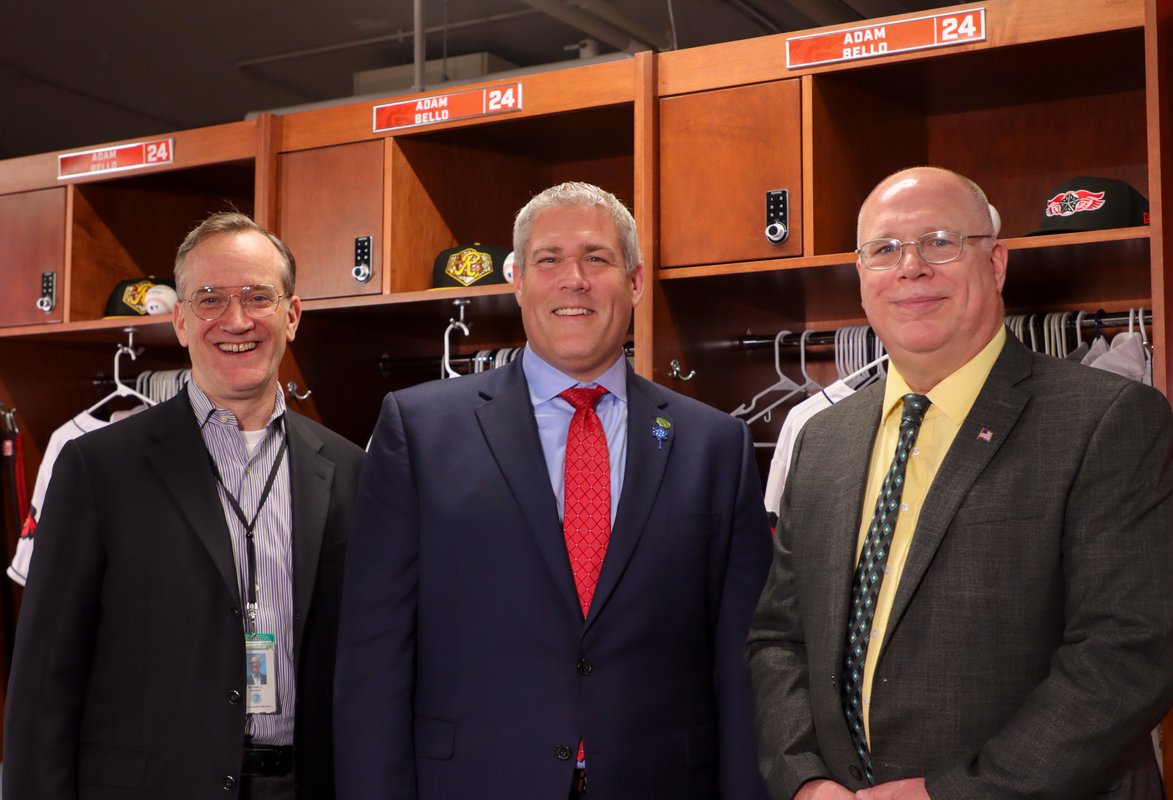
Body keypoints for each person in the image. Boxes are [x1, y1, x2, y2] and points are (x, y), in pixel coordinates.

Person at [747, 166, 1173, 799]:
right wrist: (804, 780)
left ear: (998, 263)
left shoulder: (1108, 420)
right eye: (885, 250)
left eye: (939, 242)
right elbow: (779, 638)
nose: (910, 268)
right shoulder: (822, 439)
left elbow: (1127, 655)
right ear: (862, 277)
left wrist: (950, 794)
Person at [335, 181, 772, 800]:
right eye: (549, 259)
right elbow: (373, 657)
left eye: (597, 258)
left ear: (636, 281)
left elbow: (742, 662)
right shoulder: (419, 431)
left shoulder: (715, 445)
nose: (575, 279)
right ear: (517, 281)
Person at [4, 212, 365, 799]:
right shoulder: (96, 467)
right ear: (179, 321)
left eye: (258, 297)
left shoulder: (352, 469)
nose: (237, 320)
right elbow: (45, 677)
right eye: (210, 300)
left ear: (292, 316)